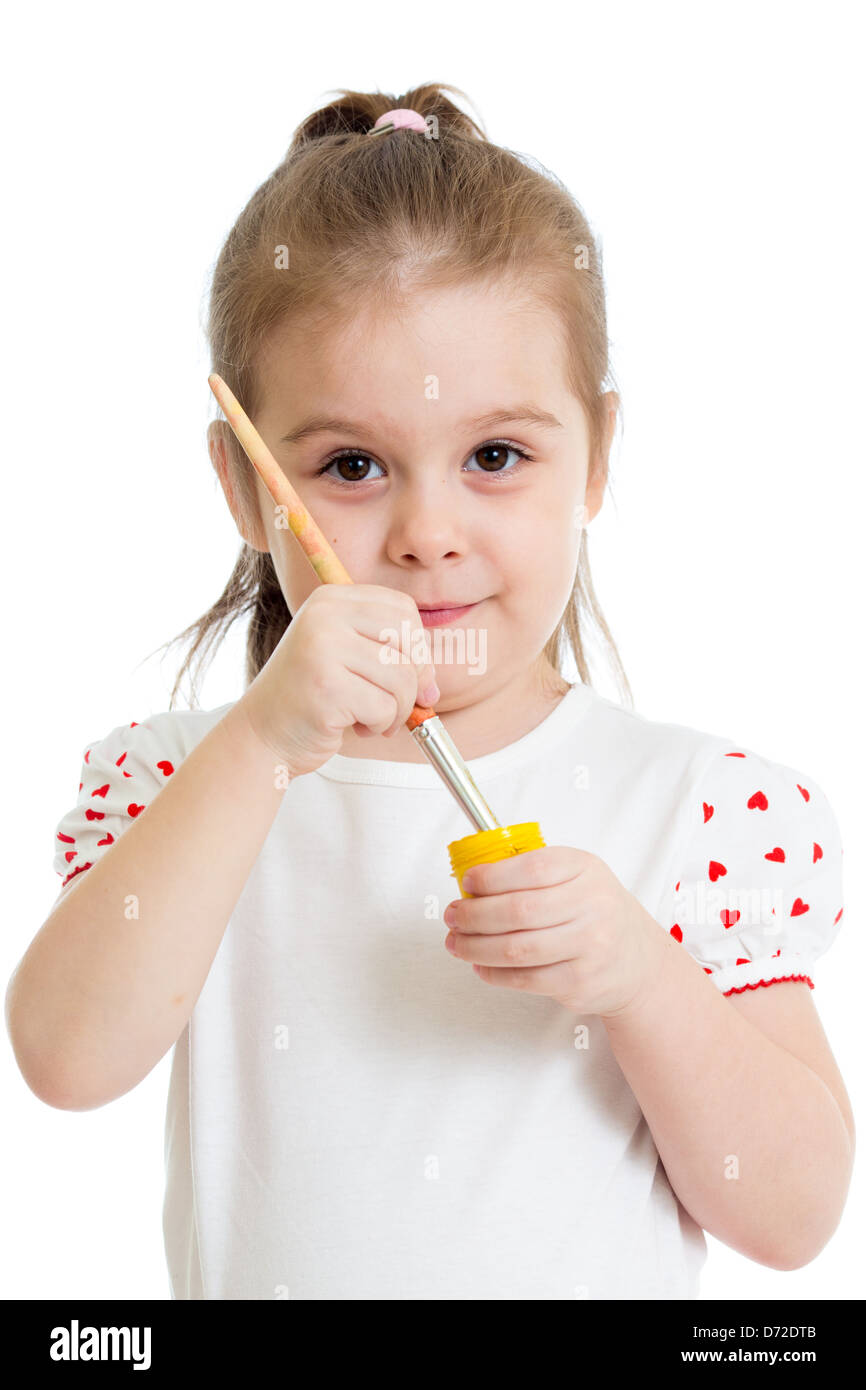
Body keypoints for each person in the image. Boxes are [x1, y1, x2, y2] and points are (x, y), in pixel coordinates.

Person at [6, 84, 854, 1300]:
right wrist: (255, 751)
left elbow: (791, 1215)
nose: (426, 533)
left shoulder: (690, 808)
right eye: (350, 465)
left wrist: (638, 975)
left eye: (494, 456)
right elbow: (67, 1060)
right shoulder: (185, 782)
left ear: (595, 459)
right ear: (247, 489)